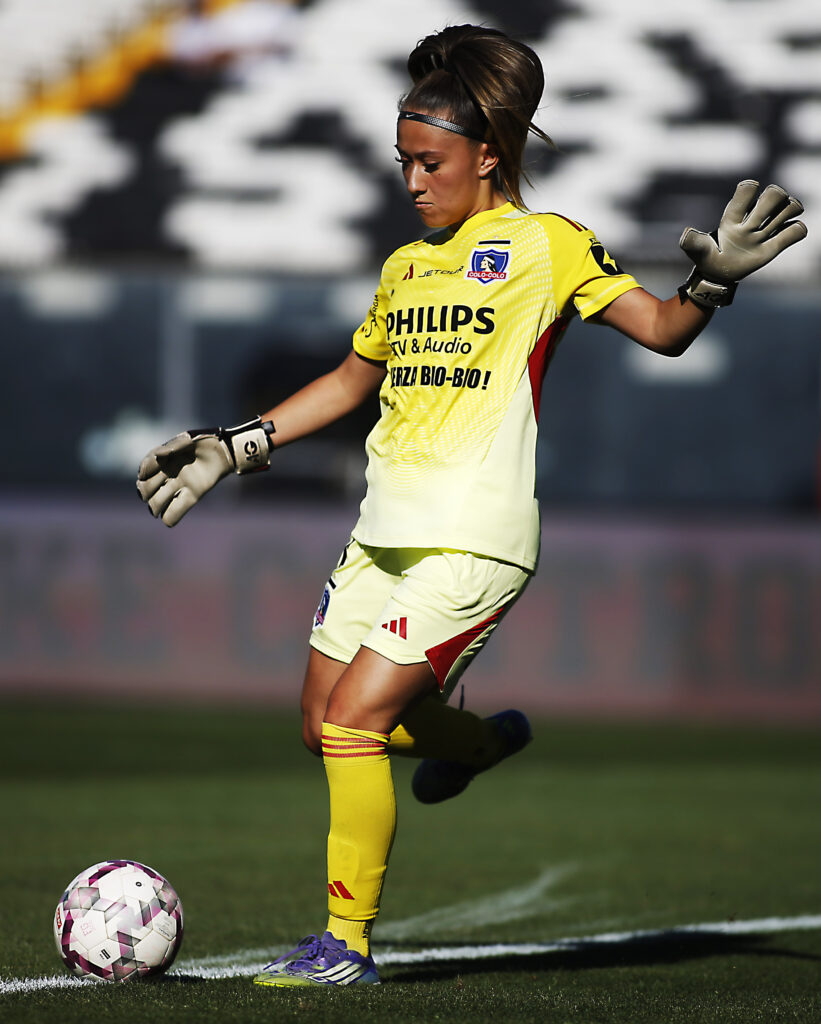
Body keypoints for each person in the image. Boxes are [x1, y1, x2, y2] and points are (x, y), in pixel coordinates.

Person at [136, 24, 806, 988]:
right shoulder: (406, 265)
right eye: (403, 162)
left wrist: (711, 281)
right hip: (382, 536)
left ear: (487, 154)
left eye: (430, 162)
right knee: (320, 726)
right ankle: (481, 743)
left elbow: (663, 331)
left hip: (473, 539)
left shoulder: (546, 245)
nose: (412, 181)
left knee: (355, 725)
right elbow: (347, 382)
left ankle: (344, 948)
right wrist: (233, 445)